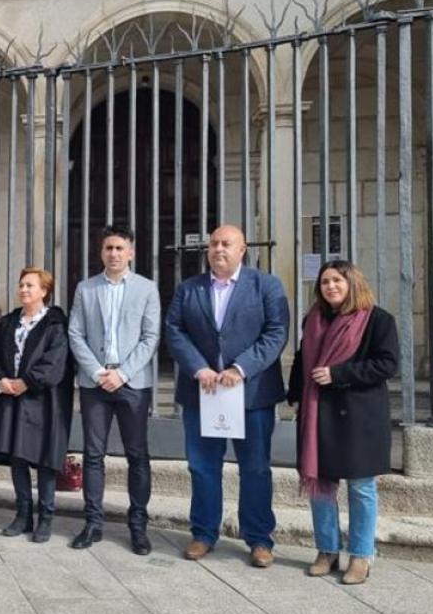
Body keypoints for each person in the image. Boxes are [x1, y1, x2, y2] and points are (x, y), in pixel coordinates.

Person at [165, 224, 289, 567]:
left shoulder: (266, 285)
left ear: (242, 249)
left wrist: (240, 369)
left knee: (256, 469)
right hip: (202, 392)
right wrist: (198, 368)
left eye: (226, 243)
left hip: (252, 394)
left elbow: (277, 332)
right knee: (202, 467)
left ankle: (259, 539)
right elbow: (174, 330)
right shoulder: (189, 289)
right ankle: (203, 533)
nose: (218, 249)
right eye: (214, 244)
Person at [287, 260, 398, 585]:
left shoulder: (377, 320)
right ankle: (327, 550)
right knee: (321, 487)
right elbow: (301, 358)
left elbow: (387, 364)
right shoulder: (314, 320)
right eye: (324, 282)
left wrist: (339, 374)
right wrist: (295, 393)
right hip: (317, 413)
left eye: (337, 280)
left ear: (352, 283)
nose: (331, 287)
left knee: (361, 488)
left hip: (359, 417)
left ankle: (362, 556)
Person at [67, 225, 161, 555]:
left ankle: (138, 526)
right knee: (93, 455)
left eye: (120, 248)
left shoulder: (147, 289)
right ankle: (93, 523)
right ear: (101, 252)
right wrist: (96, 371)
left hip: (132, 383)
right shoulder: (86, 289)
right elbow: (75, 334)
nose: (114, 253)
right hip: (95, 383)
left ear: (131, 252)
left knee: (137, 455)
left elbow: (151, 337)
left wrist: (122, 373)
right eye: (109, 248)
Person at [0, 267, 75, 543]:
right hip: (12, 399)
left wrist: (26, 381)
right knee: (18, 457)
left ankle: (45, 517)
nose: (24, 290)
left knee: (45, 461)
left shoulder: (55, 324)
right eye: (21, 284)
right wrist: (1, 379)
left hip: (43, 400)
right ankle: (22, 515)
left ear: (44, 291)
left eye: (30, 286)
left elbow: (56, 360)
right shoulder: (9, 322)